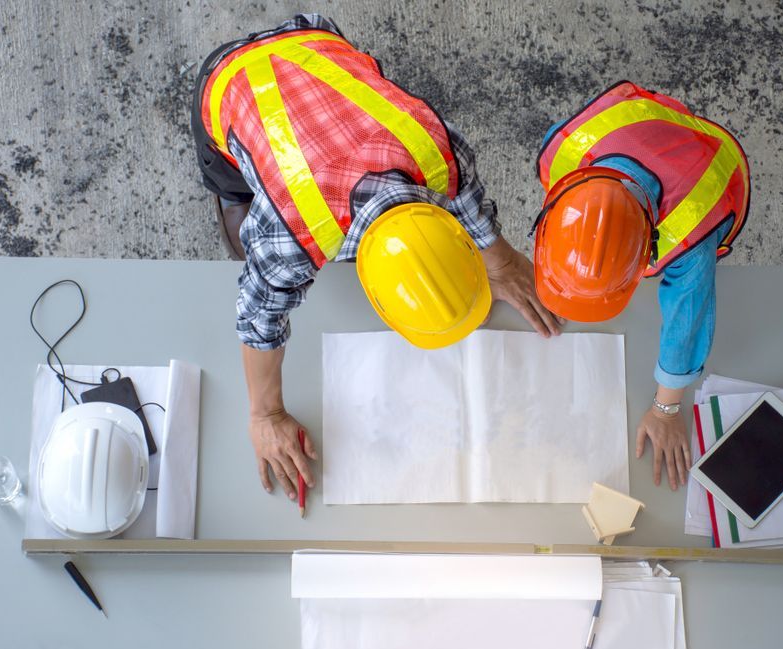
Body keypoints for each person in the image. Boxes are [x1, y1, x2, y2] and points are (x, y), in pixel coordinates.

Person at [191, 14, 561, 502]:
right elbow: (259, 318)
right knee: (241, 209)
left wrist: (500, 261)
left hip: (314, 41)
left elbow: (466, 193)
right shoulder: (290, 233)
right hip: (230, 82)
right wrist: (266, 414)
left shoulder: (437, 150)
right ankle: (241, 187)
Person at [532, 81, 750, 491]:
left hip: (709, 165)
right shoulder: (565, 149)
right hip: (645, 133)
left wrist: (666, 409)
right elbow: (584, 230)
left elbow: (687, 321)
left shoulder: (691, 235)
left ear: (646, 256)